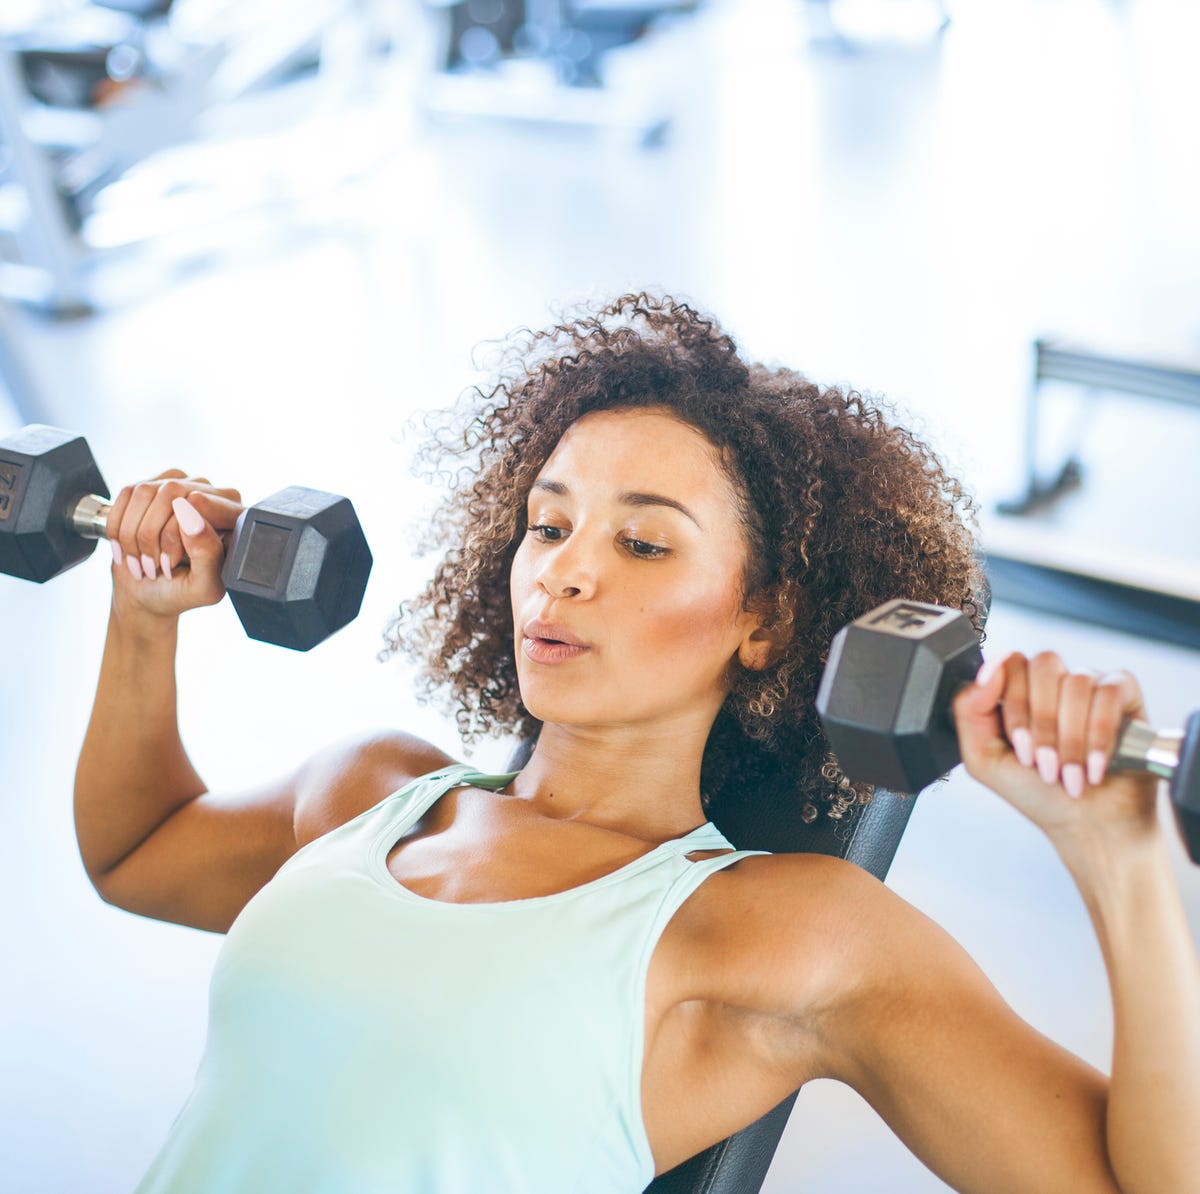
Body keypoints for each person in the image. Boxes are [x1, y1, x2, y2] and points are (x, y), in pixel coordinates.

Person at [75, 293, 1200, 1194]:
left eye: (646, 544)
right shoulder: (375, 792)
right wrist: (144, 614)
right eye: (549, 525)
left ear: (767, 621)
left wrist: (1120, 854)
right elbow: (138, 851)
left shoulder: (782, 933)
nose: (565, 568)